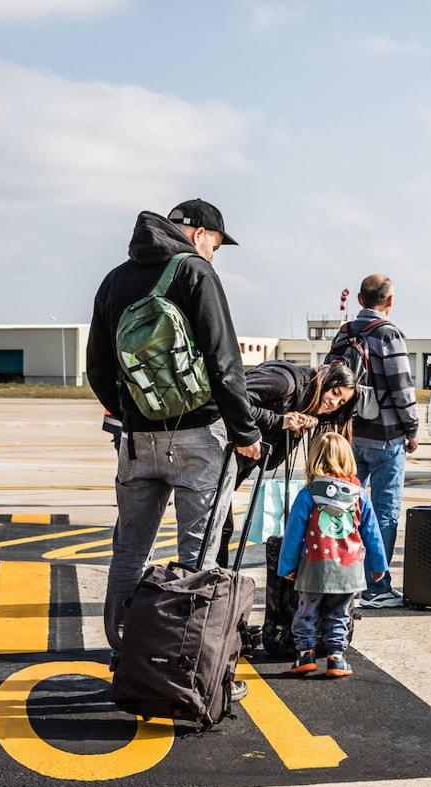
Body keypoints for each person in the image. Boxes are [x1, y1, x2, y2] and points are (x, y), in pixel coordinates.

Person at [88, 200, 261, 679]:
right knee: (197, 557)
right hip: (198, 434)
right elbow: (225, 362)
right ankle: (184, 667)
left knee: (129, 551)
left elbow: (98, 369)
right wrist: (246, 432)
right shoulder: (196, 272)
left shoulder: (115, 279)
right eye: (217, 244)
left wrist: (132, 414)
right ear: (200, 234)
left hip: (137, 439)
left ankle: (122, 652)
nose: (216, 253)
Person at [215, 361, 358, 568]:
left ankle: (211, 591)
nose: (333, 403)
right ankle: (202, 591)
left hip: (228, 471)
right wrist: (279, 420)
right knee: (215, 531)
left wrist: (295, 431)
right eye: (335, 392)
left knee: (222, 530)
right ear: (324, 380)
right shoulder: (285, 381)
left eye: (341, 402)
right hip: (212, 456)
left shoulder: (302, 404)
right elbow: (231, 400)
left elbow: (271, 461)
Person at [333, 274, 419, 609]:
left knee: (343, 508)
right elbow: (402, 386)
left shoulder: (344, 333)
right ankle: (376, 586)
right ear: (390, 301)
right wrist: (412, 429)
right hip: (385, 438)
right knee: (384, 512)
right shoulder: (388, 334)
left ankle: (340, 577)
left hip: (349, 435)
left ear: (358, 299)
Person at [279, 433, 388, 678]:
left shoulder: (308, 494)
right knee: (339, 613)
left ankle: (305, 655)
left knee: (306, 611)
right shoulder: (359, 495)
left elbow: (294, 532)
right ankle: (336, 657)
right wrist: (378, 564)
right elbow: (372, 532)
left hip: (314, 566)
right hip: (348, 568)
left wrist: (287, 566)